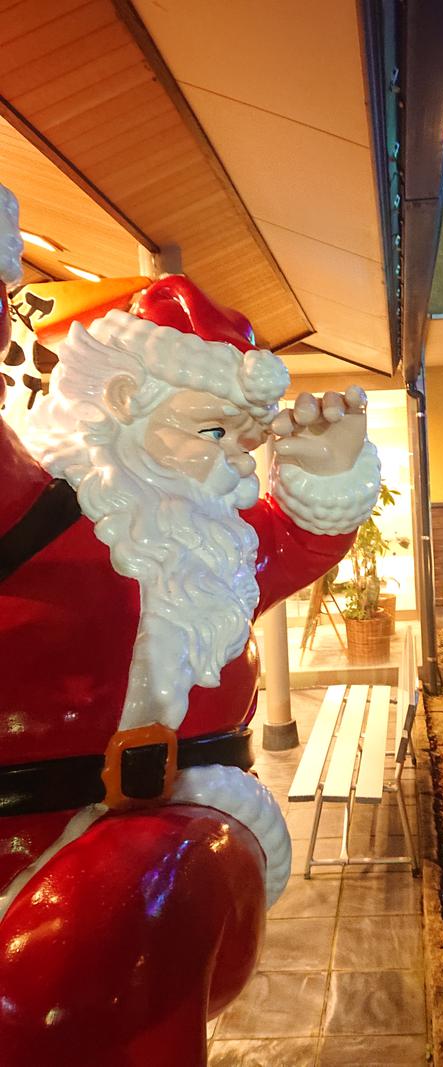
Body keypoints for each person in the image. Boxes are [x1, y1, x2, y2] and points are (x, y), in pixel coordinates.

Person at [0, 185, 380, 1064]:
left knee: (118, 927)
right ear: (124, 398)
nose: (229, 469)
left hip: (182, 828)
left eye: (238, 446)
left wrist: (323, 473)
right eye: (208, 432)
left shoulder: (201, 536)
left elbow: (280, 548)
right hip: (26, 827)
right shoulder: (44, 510)